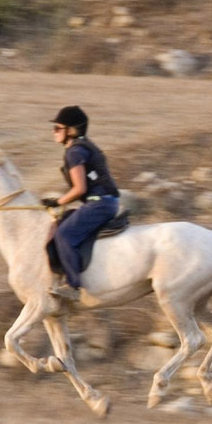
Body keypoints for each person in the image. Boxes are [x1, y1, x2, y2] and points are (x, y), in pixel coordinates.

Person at [43, 105, 120, 301]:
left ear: (71, 130)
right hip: (105, 202)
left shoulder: (74, 152)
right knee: (62, 221)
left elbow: (80, 189)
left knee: (64, 234)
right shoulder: (85, 147)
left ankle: (73, 286)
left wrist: (58, 201)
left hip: (99, 204)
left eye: (58, 128)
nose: (54, 132)